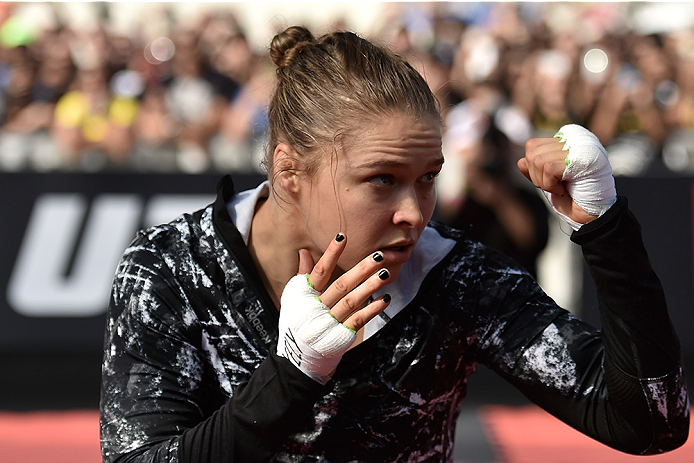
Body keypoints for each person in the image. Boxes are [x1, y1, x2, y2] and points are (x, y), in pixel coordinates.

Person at [99, 25, 690, 463]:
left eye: (428, 178)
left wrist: (607, 227)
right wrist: (291, 376)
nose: (413, 212)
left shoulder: (455, 278)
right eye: (382, 179)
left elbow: (654, 425)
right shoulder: (173, 269)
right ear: (288, 172)